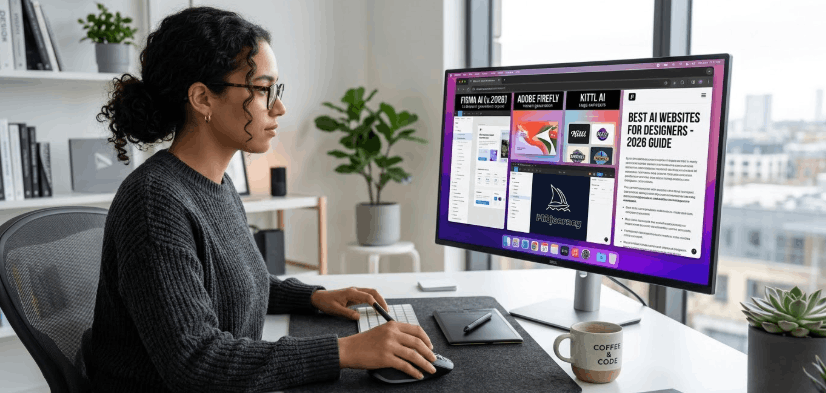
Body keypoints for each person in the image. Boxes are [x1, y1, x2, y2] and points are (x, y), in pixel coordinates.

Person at [82, 6, 435, 392]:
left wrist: (314, 298)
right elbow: (197, 363)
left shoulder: (215, 183)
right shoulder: (154, 202)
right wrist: (343, 351)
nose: (279, 107)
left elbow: (235, 280)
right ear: (203, 98)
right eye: (263, 89)